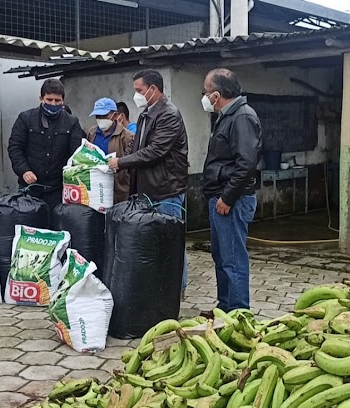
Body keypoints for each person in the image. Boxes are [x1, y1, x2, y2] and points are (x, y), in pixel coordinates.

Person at [108, 70, 189, 299]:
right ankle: (159, 288)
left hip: (166, 190)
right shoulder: (146, 114)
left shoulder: (169, 114)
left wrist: (120, 162)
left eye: (139, 91)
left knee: (171, 242)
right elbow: (137, 146)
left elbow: (155, 151)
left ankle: (175, 290)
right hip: (147, 191)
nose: (137, 95)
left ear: (153, 89)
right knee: (154, 243)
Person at [202, 68, 261, 311]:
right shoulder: (227, 116)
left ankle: (238, 315)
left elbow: (246, 164)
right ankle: (224, 308)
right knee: (222, 258)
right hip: (220, 196)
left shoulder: (242, 117)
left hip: (231, 200)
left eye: (206, 91)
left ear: (217, 94)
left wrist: (227, 197)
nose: (204, 97)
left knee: (233, 260)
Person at [8, 79, 83, 211]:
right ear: (41, 99)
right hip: (30, 187)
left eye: (57, 101)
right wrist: (24, 170)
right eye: (49, 100)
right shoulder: (25, 118)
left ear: (63, 101)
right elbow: (15, 147)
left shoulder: (72, 122)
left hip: (58, 189)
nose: (53, 104)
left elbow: (77, 153)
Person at [87, 97, 133, 203]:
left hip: (118, 191)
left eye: (104, 116)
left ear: (115, 115)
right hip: (96, 189)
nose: (101, 119)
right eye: (98, 116)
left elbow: (131, 164)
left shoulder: (127, 137)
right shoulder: (92, 133)